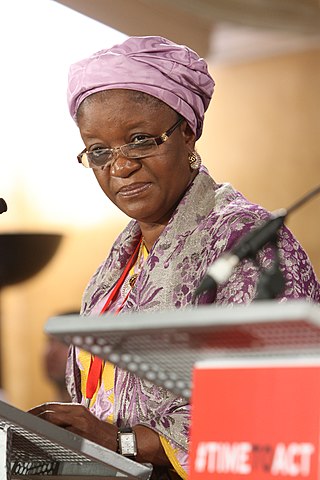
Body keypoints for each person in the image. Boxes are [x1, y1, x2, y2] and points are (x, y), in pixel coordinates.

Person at [29, 36, 320, 479]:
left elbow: (276, 407)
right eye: (100, 150)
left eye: (140, 140)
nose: (120, 166)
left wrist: (120, 442)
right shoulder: (116, 267)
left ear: (187, 132)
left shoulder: (247, 240)